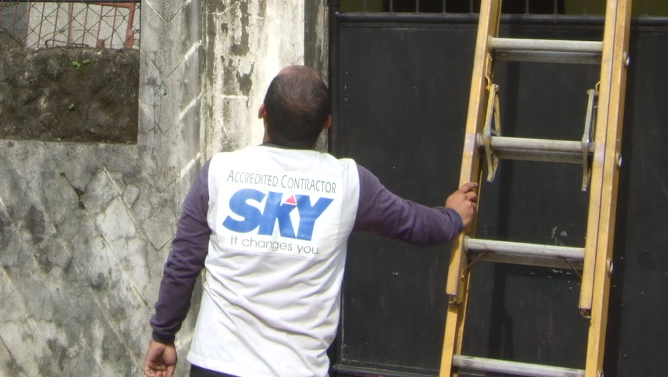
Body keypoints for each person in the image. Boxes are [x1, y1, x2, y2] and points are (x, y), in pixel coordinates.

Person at [144, 65, 478, 377]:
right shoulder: (347, 182)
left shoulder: (220, 171)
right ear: (327, 124)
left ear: (263, 112)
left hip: (216, 363)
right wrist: (452, 217)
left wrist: (164, 334)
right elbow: (413, 224)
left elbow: (183, 261)